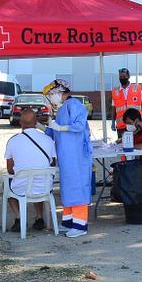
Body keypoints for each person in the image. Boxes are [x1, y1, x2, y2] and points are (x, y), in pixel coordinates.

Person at [44, 78, 93, 238]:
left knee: (77, 188)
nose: (50, 98)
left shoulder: (75, 105)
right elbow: (53, 132)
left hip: (76, 156)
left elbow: (79, 126)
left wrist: (61, 127)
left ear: (60, 92)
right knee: (68, 188)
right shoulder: (62, 109)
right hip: (67, 156)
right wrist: (40, 127)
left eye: (51, 94)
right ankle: (69, 222)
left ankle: (80, 225)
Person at [4, 108, 56, 232]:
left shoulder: (13, 141)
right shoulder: (48, 140)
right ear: (36, 122)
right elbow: (52, 164)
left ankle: (19, 218)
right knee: (37, 182)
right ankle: (39, 218)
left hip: (21, 187)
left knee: (6, 185)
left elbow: (10, 169)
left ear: (21, 123)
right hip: (44, 186)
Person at [111, 68, 142, 138]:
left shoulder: (137, 88)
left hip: (135, 124)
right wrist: (113, 121)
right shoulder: (115, 91)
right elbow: (113, 108)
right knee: (122, 146)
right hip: (121, 126)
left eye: (124, 77)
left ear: (128, 77)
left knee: (136, 144)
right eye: (120, 77)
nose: (122, 78)